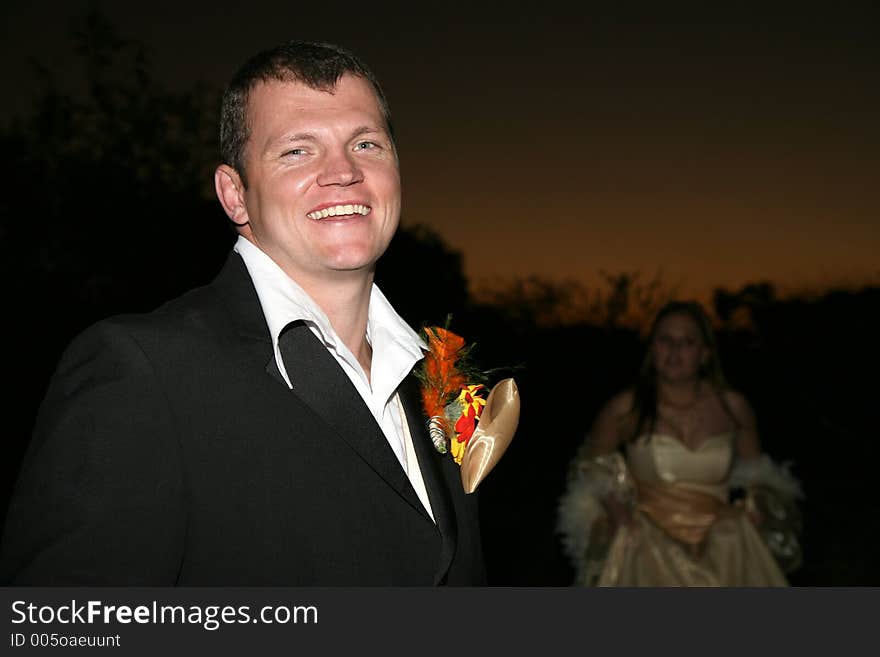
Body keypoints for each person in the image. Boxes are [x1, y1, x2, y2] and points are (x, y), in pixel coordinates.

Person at [0, 41, 486, 585]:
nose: (344, 171)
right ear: (235, 195)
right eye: (298, 151)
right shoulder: (144, 371)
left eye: (367, 143)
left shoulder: (440, 377)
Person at [556, 300, 803, 586]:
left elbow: (758, 474)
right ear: (652, 348)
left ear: (705, 353)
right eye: (665, 340)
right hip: (647, 546)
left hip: (726, 545)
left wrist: (757, 508)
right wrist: (617, 512)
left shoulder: (733, 406)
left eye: (687, 341)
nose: (674, 350)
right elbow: (589, 469)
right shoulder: (624, 408)